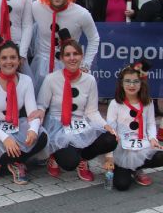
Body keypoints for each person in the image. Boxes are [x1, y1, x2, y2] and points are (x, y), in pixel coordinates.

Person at [33, 35, 117, 181]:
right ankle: (55, 156)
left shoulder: (89, 80)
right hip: (58, 126)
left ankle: (83, 159)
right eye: (68, 54)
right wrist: (38, 114)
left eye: (76, 54)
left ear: (81, 56)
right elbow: (41, 105)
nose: (72, 58)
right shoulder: (51, 79)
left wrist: (105, 125)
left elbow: (92, 111)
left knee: (111, 139)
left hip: (80, 123)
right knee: (69, 163)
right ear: (62, 58)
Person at [0, 36, 48, 185]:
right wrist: (5, 138)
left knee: (42, 136)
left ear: (19, 61)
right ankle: (0, 161)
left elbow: (32, 113)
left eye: (13, 57)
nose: (9, 61)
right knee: (1, 141)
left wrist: (33, 130)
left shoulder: (25, 80)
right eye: (4, 58)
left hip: (15, 124)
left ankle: (13, 162)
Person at [30, 0, 99, 89]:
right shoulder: (36, 7)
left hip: (69, 64)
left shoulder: (81, 13)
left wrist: (86, 64)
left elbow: (94, 38)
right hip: (41, 66)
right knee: (40, 104)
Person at [107, 62, 163, 190]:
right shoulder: (115, 104)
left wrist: (153, 139)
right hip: (123, 149)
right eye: (127, 81)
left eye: (135, 81)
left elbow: (150, 124)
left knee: (161, 156)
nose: (131, 85)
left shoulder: (147, 102)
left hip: (141, 145)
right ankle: (122, 168)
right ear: (121, 83)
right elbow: (111, 129)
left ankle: (138, 169)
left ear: (141, 83)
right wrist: (109, 155)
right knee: (122, 185)